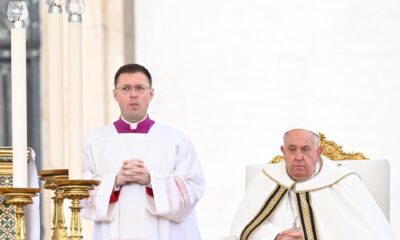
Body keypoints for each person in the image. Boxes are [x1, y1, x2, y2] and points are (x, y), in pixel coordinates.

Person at [81, 63, 205, 240]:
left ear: (151, 94)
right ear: (115, 94)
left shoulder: (176, 140)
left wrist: (152, 181)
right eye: (125, 88)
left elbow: (194, 187)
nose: (133, 94)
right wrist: (114, 182)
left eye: (140, 88)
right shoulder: (94, 141)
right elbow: (79, 188)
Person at [226, 123, 395, 240]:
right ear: (283, 151)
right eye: (292, 150)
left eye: (305, 149)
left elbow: (368, 232)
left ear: (318, 152)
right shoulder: (266, 180)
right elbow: (244, 228)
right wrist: (274, 237)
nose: (298, 157)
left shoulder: (344, 182)